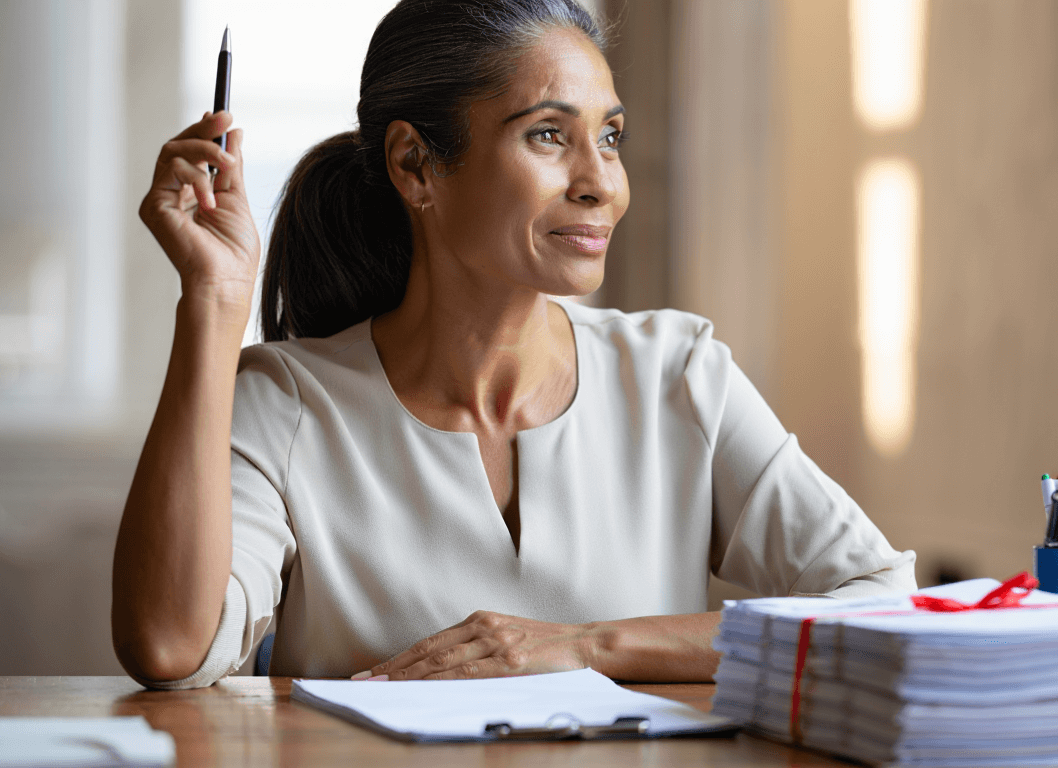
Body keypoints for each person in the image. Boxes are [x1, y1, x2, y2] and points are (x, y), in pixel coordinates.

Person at [112, 0, 916, 690]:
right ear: (414, 164)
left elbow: (882, 603)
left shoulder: (679, 375)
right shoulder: (287, 403)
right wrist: (215, 300)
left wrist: (588, 646)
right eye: (546, 135)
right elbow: (170, 647)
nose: (601, 180)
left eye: (611, 135)